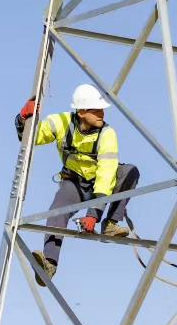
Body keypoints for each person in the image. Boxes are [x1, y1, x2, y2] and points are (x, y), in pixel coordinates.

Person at [14, 82, 141, 284]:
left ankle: (111, 223)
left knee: (129, 172)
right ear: (81, 112)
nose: (102, 114)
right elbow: (30, 139)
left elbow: (106, 174)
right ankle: (49, 264)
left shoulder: (107, 134)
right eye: (96, 110)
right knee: (57, 210)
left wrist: (93, 214)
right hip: (74, 182)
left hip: (100, 185)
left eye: (102, 109)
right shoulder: (61, 122)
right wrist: (23, 119)